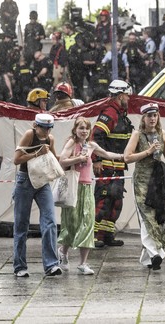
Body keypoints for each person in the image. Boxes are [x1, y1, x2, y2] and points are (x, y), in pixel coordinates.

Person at [123, 103, 165, 270]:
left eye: (155, 115)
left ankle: (148, 259)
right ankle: (155, 253)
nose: (152, 119)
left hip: (157, 181)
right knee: (146, 217)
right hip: (141, 181)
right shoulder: (137, 135)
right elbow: (127, 157)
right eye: (149, 116)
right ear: (143, 118)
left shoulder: (163, 134)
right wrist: (147, 152)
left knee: (158, 217)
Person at [58, 117, 124, 275]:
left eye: (87, 128)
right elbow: (62, 160)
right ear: (75, 129)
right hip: (73, 187)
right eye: (81, 128)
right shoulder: (71, 143)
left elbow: (106, 153)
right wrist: (78, 158)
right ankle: (63, 252)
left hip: (87, 188)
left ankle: (83, 263)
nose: (84, 131)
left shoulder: (91, 145)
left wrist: (122, 157)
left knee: (87, 223)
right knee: (72, 223)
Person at [12, 113, 62, 277]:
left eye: (49, 128)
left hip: (42, 182)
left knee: (50, 221)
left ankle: (51, 264)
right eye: (44, 128)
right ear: (36, 126)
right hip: (25, 181)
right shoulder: (29, 135)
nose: (46, 132)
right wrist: (36, 153)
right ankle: (20, 266)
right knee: (21, 225)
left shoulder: (51, 139)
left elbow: (54, 158)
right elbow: (17, 159)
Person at [92, 80, 134, 248]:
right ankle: (94, 236)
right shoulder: (109, 113)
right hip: (106, 167)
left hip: (117, 167)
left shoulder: (121, 114)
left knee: (115, 202)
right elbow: (96, 136)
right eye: (127, 96)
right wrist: (97, 160)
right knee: (103, 201)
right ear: (120, 95)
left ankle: (107, 235)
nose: (129, 99)